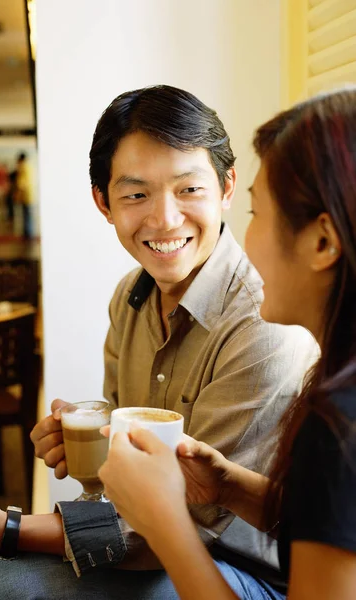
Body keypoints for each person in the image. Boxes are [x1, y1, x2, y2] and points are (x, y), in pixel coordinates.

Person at [0, 85, 317, 599]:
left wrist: (5, 527)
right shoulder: (131, 297)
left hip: (245, 573)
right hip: (158, 546)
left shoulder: (266, 322)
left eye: (189, 189)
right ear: (103, 202)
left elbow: (179, 528)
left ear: (228, 187)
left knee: (3, 583)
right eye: (136, 194)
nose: (165, 219)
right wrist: (92, 452)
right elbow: (121, 494)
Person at [99, 87, 356, 599]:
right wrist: (228, 485)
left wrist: (166, 523)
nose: (241, 242)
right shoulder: (338, 398)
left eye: (258, 213)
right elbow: (327, 516)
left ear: (323, 242)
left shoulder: (339, 425)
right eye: (136, 193)